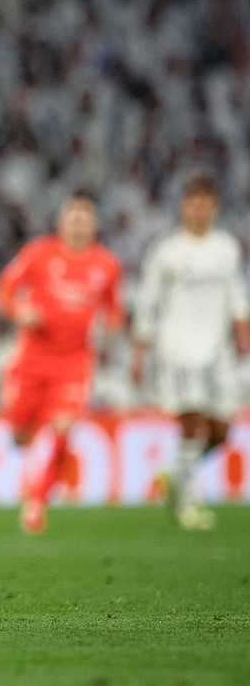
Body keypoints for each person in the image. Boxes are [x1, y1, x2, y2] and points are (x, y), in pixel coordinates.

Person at [0, 191, 124, 534]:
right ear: (61, 221)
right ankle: (44, 476)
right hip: (32, 358)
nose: (78, 222)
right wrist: (19, 311)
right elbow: (4, 290)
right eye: (72, 215)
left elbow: (114, 310)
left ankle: (36, 502)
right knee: (20, 433)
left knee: (64, 425)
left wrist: (109, 328)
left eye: (84, 216)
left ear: (94, 224)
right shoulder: (38, 253)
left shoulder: (106, 264)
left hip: (74, 362)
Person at [130, 175, 249, 530]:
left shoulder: (226, 248)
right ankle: (188, 503)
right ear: (183, 208)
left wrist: (243, 336)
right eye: (192, 203)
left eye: (205, 204)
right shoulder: (167, 251)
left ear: (214, 208)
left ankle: (175, 475)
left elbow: (237, 297)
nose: (198, 210)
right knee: (193, 423)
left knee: (221, 431)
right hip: (178, 349)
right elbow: (148, 302)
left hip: (218, 352)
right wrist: (140, 351)